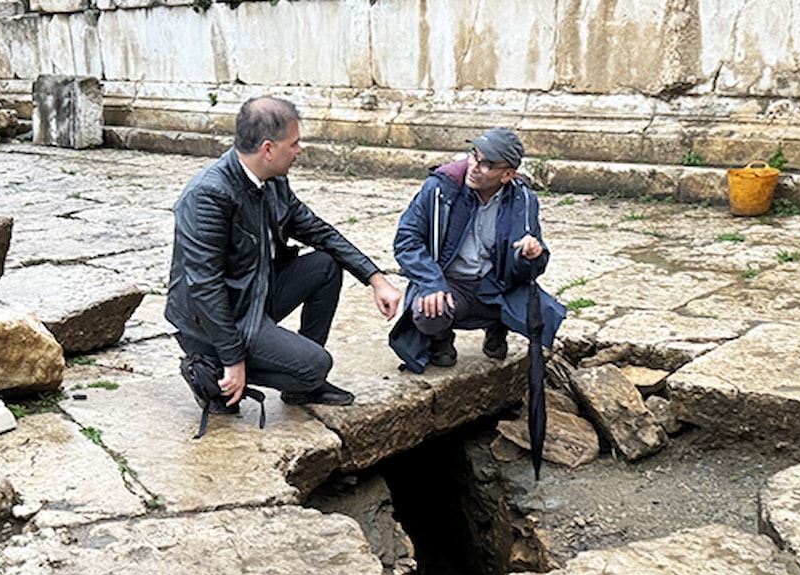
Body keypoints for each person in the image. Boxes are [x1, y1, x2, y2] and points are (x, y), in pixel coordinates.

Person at [166, 96, 401, 414]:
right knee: (316, 365)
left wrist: (376, 279)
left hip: (254, 295)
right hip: (214, 320)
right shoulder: (208, 196)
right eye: (294, 143)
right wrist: (233, 358)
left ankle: (299, 385)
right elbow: (204, 287)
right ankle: (213, 367)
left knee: (325, 265)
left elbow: (319, 232)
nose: (299, 150)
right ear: (267, 149)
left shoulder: (273, 183)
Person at [390, 127, 565, 373]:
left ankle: (497, 327)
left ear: (507, 174)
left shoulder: (523, 200)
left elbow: (532, 267)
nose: (474, 166)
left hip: (495, 284)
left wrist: (532, 254)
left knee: (541, 315)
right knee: (427, 312)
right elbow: (406, 240)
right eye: (474, 155)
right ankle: (441, 340)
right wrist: (431, 283)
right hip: (451, 282)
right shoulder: (441, 189)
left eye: (487, 164)